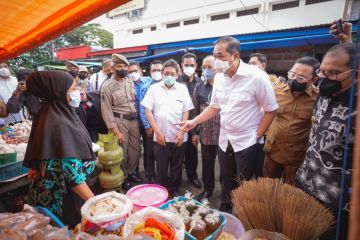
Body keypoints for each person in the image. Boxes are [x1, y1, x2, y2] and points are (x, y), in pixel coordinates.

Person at [179, 36, 278, 212]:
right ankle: (225, 213)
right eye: (214, 56)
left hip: (247, 141)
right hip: (225, 139)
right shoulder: (219, 78)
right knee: (226, 180)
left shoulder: (257, 77)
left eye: (221, 56)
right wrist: (193, 122)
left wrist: (257, 136)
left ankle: (242, 216)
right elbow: (214, 107)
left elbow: (271, 110)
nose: (217, 62)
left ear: (235, 55)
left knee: (244, 185)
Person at [295, 43, 356, 240]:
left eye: (333, 73)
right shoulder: (324, 94)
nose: (325, 78)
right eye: (322, 71)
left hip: (336, 201)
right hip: (305, 182)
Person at [24, 71, 96, 227]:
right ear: (58, 91)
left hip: (53, 192)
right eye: (72, 89)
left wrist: (39, 165)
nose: (77, 92)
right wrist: (95, 203)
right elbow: (72, 175)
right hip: (64, 199)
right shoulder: (59, 122)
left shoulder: (52, 111)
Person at [142, 59, 194, 197]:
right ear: (162, 74)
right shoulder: (154, 88)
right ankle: (162, 191)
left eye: (172, 73)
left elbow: (186, 110)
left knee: (177, 165)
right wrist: (157, 133)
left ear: (178, 74)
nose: (169, 76)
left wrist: (182, 132)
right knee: (161, 166)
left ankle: (175, 189)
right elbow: (147, 111)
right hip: (161, 136)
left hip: (179, 136)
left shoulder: (182, 89)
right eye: (166, 73)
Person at [264, 57, 319, 185]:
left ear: (313, 80)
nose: (294, 79)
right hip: (272, 150)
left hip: (296, 155)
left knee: (291, 190)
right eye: (292, 74)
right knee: (269, 186)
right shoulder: (275, 92)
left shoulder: (318, 99)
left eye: (301, 78)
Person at [101, 54, 142, 190]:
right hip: (119, 121)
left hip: (133, 120)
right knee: (122, 150)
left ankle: (131, 173)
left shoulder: (129, 81)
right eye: (119, 66)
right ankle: (124, 176)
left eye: (125, 66)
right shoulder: (107, 86)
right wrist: (115, 130)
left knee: (135, 149)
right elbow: (106, 109)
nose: (123, 69)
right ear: (113, 68)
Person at [191, 55, 220, 200]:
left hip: (224, 134)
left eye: (210, 67)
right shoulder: (199, 87)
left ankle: (228, 192)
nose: (207, 70)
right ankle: (208, 189)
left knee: (226, 167)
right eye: (204, 67)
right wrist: (194, 133)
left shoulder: (225, 84)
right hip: (206, 133)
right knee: (207, 164)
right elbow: (195, 110)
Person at [177, 52, 202, 188]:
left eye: (192, 65)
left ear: (196, 66)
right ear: (181, 65)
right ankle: (176, 177)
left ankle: (192, 176)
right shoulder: (176, 82)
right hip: (179, 123)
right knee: (177, 153)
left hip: (194, 124)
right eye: (186, 65)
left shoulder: (200, 83)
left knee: (192, 153)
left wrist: (195, 131)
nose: (189, 67)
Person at [139, 60, 163, 182]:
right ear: (150, 71)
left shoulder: (168, 85)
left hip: (164, 126)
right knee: (149, 151)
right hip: (150, 126)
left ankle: (162, 174)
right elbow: (142, 108)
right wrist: (148, 126)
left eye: (159, 70)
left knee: (162, 152)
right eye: (154, 70)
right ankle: (150, 174)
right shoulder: (145, 87)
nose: (156, 72)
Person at [128, 61, 151, 178]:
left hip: (147, 121)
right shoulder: (126, 84)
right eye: (130, 72)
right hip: (133, 121)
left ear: (140, 71)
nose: (133, 73)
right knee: (134, 148)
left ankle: (148, 170)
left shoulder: (149, 81)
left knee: (148, 147)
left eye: (135, 71)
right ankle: (134, 170)